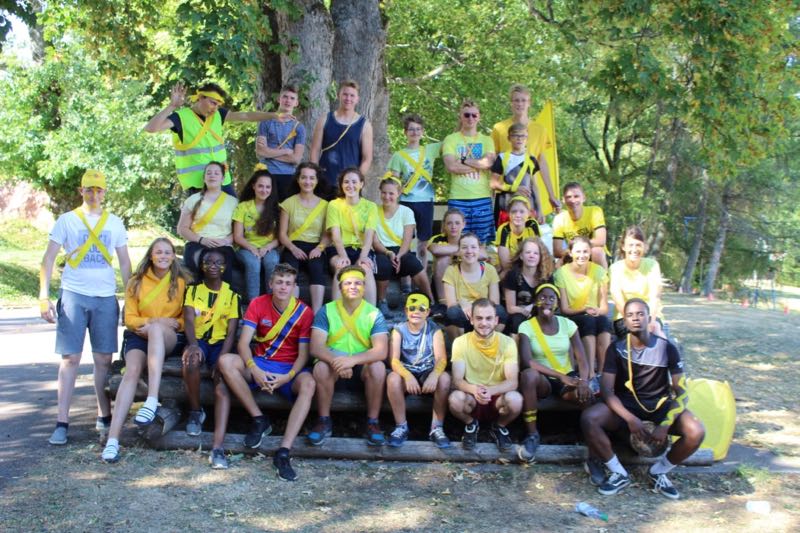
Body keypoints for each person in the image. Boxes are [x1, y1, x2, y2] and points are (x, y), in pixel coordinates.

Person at [40, 169, 131, 445]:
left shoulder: (114, 223)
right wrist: (43, 296)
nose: (93, 194)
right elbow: (48, 259)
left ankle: (104, 415)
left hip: (105, 296)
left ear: (105, 193)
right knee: (70, 358)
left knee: (103, 359)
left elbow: (124, 262)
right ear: (81, 191)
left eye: (98, 190)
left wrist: (131, 300)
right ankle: (62, 422)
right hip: (74, 294)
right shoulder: (67, 220)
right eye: (89, 189)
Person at [580, 299, 705, 499]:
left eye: (640, 314)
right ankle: (618, 472)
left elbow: (682, 392)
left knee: (696, 431)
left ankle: (659, 472)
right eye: (630, 315)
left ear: (649, 318)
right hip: (626, 407)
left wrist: (666, 424)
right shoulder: (616, 348)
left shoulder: (667, 348)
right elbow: (606, 390)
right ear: (625, 321)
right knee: (590, 418)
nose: (635, 319)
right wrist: (630, 419)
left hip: (660, 407)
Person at [214, 264, 315, 479]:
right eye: (279, 282)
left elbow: (304, 355)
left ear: (294, 287)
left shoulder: (304, 312)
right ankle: (259, 418)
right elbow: (243, 343)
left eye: (288, 283)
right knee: (226, 361)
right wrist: (254, 369)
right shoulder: (258, 303)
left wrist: (287, 377)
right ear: (270, 284)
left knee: (309, 383)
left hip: (288, 369)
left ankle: (284, 451)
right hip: (261, 363)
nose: (283, 287)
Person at [102, 238, 188, 462]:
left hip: (168, 337)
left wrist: (163, 324)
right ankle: (112, 440)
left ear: (173, 256)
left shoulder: (181, 283)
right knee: (131, 372)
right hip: (139, 334)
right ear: (151, 255)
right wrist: (151, 322)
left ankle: (151, 399)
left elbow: (184, 320)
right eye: (158, 252)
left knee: (158, 330)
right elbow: (130, 318)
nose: (163, 256)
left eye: (167, 252)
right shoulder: (136, 281)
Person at [144, 82, 291, 195]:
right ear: (200, 98)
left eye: (218, 104)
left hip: (222, 179)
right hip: (198, 184)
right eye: (213, 103)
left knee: (234, 217)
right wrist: (172, 106)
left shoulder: (218, 114)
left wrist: (273, 116)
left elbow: (245, 115)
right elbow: (151, 128)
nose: (215, 108)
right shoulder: (180, 117)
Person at [308, 266, 389, 447]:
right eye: (348, 283)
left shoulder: (374, 313)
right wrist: (338, 363)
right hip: (333, 366)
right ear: (340, 287)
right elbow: (316, 347)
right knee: (320, 367)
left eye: (358, 283)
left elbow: (381, 351)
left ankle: (372, 422)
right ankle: (323, 420)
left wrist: (351, 361)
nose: (353, 287)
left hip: (362, 367)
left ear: (364, 287)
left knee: (378, 367)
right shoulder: (326, 310)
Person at [517, 284, 593, 463]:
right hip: (543, 380)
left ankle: (592, 443)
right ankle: (532, 434)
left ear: (557, 303)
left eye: (552, 298)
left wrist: (583, 381)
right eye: (542, 297)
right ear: (536, 301)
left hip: (568, 377)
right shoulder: (526, 326)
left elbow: (582, 359)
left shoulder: (568, 324)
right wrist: (559, 376)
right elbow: (527, 362)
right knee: (528, 375)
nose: (547, 302)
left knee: (587, 396)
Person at [448, 299, 522, 451]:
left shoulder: (508, 343)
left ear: (496, 321)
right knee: (455, 399)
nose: (484, 323)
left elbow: (513, 382)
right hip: (472, 397)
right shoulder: (460, 342)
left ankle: (499, 426)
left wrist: (490, 391)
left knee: (516, 400)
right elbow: (457, 380)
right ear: (471, 320)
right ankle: (471, 423)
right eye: (479, 318)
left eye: (489, 318)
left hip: (497, 397)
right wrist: (474, 390)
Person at [181, 249, 240, 437]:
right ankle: (195, 412)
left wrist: (222, 357)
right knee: (191, 361)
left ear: (225, 267)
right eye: (209, 262)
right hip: (198, 340)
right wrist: (193, 345)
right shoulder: (192, 290)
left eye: (218, 262)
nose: (213, 266)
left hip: (221, 343)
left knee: (221, 374)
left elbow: (231, 332)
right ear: (202, 266)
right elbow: (188, 321)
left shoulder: (232, 295)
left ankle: (220, 424)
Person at [386, 293, 451, 448]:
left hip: (427, 372)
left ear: (428, 312)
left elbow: (441, 359)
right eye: (412, 308)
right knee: (393, 379)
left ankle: (437, 427)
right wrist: (407, 376)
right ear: (406, 310)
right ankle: (401, 426)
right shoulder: (398, 330)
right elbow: (394, 360)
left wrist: (434, 375)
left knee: (444, 378)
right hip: (406, 372)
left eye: (421, 309)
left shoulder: (434, 330)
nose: (416, 312)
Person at [491, 84, 560, 214]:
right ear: (511, 103)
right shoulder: (499, 128)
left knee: (529, 226)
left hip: (529, 192)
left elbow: (542, 162)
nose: (520, 104)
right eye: (516, 100)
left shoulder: (540, 129)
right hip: (505, 193)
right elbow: (493, 161)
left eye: (523, 100)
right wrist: (491, 192)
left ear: (529, 103)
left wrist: (551, 194)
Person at [372, 177, 434, 316]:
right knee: (382, 264)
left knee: (414, 264)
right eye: (384, 193)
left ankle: (430, 300)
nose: (387, 196)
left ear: (399, 193)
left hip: (401, 250)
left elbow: (407, 240)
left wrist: (399, 256)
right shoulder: (373, 211)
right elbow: (375, 242)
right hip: (382, 250)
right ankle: (382, 301)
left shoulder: (406, 212)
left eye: (391, 193)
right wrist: (388, 253)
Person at [386, 114, 440, 269]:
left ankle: (421, 273)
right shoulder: (398, 156)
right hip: (406, 202)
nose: (415, 132)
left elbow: (452, 140)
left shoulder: (430, 150)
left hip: (426, 201)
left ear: (422, 131)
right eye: (411, 129)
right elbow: (393, 181)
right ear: (405, 132)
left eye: (418, 129)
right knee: (405, 241)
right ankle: (406, 277)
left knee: (423, 243)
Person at [442, 99, 497, 244]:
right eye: (466, 115)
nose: (470, 118)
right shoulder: (451, 139)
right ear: (460, 116)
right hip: (458, 198)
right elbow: (451, 166)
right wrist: (479, 164)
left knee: (481, 243)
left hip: (482, 198)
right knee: (457, 242)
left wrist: (462, 160)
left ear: (479, 117)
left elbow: (489, 163)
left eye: (474, 115)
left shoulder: (487, 140)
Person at [554, 236, 611, 374]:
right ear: (571, 253)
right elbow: (565, 309)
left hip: (594, 314)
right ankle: (589, 373)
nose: (582, 255)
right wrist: (585, 309)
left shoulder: (599, 272)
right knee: (588, 321)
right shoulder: (561, 273)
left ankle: (603, 372)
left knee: (604, 322)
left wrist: (596, 311)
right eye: (578, 251)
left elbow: (604, 308)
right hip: (573, 315)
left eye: (585, 251)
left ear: (590, 252)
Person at [278, 162, 329, 312]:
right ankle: (292, 312)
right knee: (290, 270)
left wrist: (320, 248)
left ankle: (317, 312)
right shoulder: (288, 203)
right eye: (304, 177)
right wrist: (293, 248)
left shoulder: (325, 205)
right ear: (298, 179)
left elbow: (328, 234)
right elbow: (282, 234)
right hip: (293, 245)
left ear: (317, 180)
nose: (308, 181)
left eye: (312, 178)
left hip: (315, 246)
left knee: (317, 268)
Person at [176, 161, 238, 284]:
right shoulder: (192, 200)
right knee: (196, 262)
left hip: (223, 244)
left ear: (223, 178)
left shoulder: (233, 202)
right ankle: (194, 294)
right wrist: (201, 240)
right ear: (204, 178)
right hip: (197, 243)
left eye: (216, 173)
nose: (212, 176)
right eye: (209, 173)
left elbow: (239, 231)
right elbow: (182, 228)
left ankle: (224, 295)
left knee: (223, 265)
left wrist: (225, 241)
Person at [325, 167, 379, 305]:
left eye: (354, 182)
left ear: (361, 184)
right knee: (341, 268)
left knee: (366, 269)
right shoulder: (334, 205)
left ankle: (371, 313)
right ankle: (336, 313)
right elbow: (335, 235)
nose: (350, 185)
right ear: (341, 185)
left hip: (362, 249)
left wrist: (363, 257)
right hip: (339, 249)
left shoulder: (371, 206)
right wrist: (343, 256)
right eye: (346, 182)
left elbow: (369, 235)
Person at [310, 80, 373, 195]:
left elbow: (367, 158)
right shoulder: (324, 119)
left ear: (357, 99)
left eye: (352, 95)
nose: (348, 98)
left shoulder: (364, 125)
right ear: (338, 95)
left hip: (350, 185)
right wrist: (315, 175)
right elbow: (315, 150)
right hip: (325, 180)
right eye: (345, 94)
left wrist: (356, 180)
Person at [443, 232, 506, 338]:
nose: (469, 251)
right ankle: (461, 345)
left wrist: (476, 308)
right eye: (464, 247)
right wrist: (463, 304)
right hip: (463, 316)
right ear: (459, 251)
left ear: (479, 250)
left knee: (500, 311)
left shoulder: (490, 269)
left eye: (473, 247)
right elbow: (451, 304)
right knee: (452, 313)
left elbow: (494, 302)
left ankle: (488, 341)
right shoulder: (451, 271)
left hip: (484, 315)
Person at [233, 166, 281, 303]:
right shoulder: (243, 207)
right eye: (260, 186)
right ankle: (253, 305)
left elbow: (280, 237)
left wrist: (267, 248)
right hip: (246, 248)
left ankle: (272, 303)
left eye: (268, 187)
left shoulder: (277, 208)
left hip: (269, 248)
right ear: (253, 186)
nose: (264, 190)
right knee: (253, 263)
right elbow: (237, 236)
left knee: (272, 261)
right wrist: (252, 248)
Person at [609, 226, 664, 337]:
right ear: (623, 247)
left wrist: (650, 321)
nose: (634, 249)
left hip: (650, 316)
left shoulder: (653, 265)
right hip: (625, 317)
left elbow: (654, 297)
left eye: (638, 245)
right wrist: (633, 320)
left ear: (644, 247)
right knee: (637, 336)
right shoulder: (615, 268)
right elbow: (618, 299)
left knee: (657, 335)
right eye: (630, 245)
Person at [255, 84, 306, 201]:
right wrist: (286, 151)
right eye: (285, 97)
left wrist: (269, 153)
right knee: (265, 209)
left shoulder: (299, 127)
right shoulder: (265, 122)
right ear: (279, 99)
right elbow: (260, 151)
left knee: (284, 210)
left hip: (288, 176)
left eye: (292, 98)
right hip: (266, 175)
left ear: (296, 103)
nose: (288, 101)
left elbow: (296, 159)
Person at [489, 123, 543, 225]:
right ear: (509, 138)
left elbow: (534, 186)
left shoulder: (531, 159)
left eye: (523, 136)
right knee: (504, 233)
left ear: (527, 138)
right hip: (506, 206)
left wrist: (540, 210)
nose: (519, 138)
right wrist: (514, 188)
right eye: (515, 135)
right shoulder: (502, 157)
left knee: (527, 234)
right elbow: (493, 183)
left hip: (527, 207)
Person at [502, 237, 554, 335]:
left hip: (542, 310)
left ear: (540, 257)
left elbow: (552, 301)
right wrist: (524, 310)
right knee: (516, 320)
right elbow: (510, 308)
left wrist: (533, 306)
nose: (531, 256)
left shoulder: (547, 276)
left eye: (535, 253)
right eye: (528, 252)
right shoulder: (513, 275)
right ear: (521, 256)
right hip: (520, 313)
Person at [552, 182, 608, 267]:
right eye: (569, 197)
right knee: (559, 262)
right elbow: (557, 251)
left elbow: (601, 241)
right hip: (574, 254)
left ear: (584, 198)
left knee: (597, 251)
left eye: (576, 196)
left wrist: (577, 246)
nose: (573, 200)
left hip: (592, 253)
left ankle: (603, 275)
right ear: (563, 200)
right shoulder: (559, 218)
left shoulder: (594, 211)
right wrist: (576, 251)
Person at [493, 196, 541, 278]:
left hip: (529, 262)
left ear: (529, 213)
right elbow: (505, 264)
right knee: (505, 274)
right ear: (508, 213)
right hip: (511, 265)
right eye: (514, 211)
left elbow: (539, 249)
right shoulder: (504, 229)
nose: (518, 215)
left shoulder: (532, 225)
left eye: (522, 212)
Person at [428, 208, 466, 309]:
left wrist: (448, 250)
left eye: (457, 223)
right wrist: (464, 249)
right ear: (444, 225)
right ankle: (443, 304)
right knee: (443, 260)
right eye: (449, 223)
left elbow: (483, 254)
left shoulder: (468, 238)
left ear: (464, 224)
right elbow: (435, 250)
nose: (453, 226)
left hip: (465, 279)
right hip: (443, 282)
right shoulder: (437, 238)